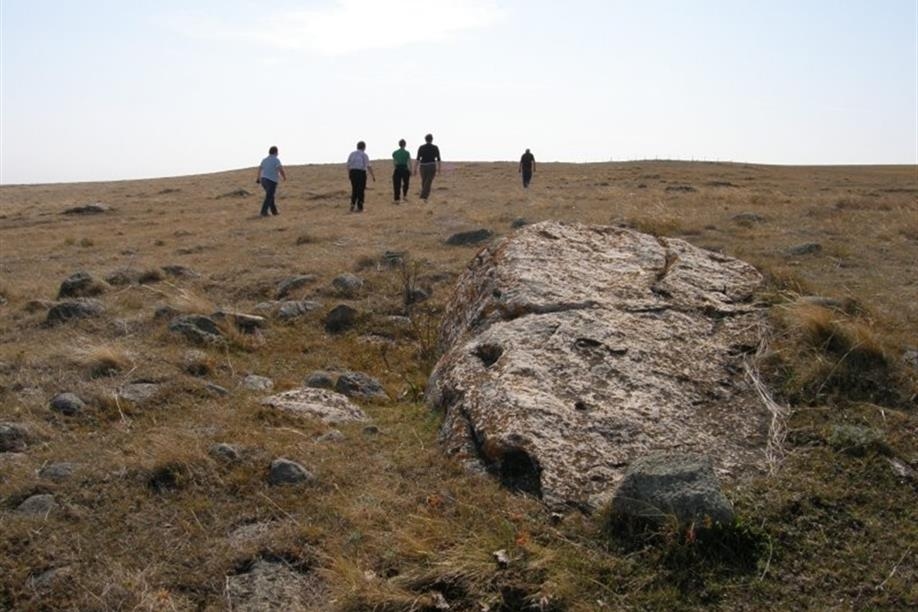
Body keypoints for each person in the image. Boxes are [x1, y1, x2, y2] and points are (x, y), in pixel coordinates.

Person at [256, 146, 286, 216]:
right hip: (271, 181)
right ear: (275, 152)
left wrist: (258, 178)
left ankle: (274, 212)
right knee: (269, 196)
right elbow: (280, 169)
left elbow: (260, 169)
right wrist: (284, 177)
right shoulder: (276, 160)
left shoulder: (264, 160)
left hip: (263, 180)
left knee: (270, 196)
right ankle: (263, 212)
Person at [346, 141, 375, 212]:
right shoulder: (364, 155)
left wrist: (349, 174)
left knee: (354, 189)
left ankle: (352, 205)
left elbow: (348, 165)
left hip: (353, 172)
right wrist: (373, 175)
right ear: (364, 147)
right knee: (361, 190)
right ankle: (360, 207)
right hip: (361, 173)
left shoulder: (352, 154)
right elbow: (368, 166)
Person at [414, 133, 441, 201]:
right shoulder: (435, 147)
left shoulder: (421, 147)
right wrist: (439, 168)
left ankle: (424, 197)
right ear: (432, 139)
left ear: (425, 139)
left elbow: (418, 158)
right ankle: (423, 197)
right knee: (428, 181)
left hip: (423, 166)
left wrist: (415, 168)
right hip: (431, 166)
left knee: (424, 181)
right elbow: (438, 159)